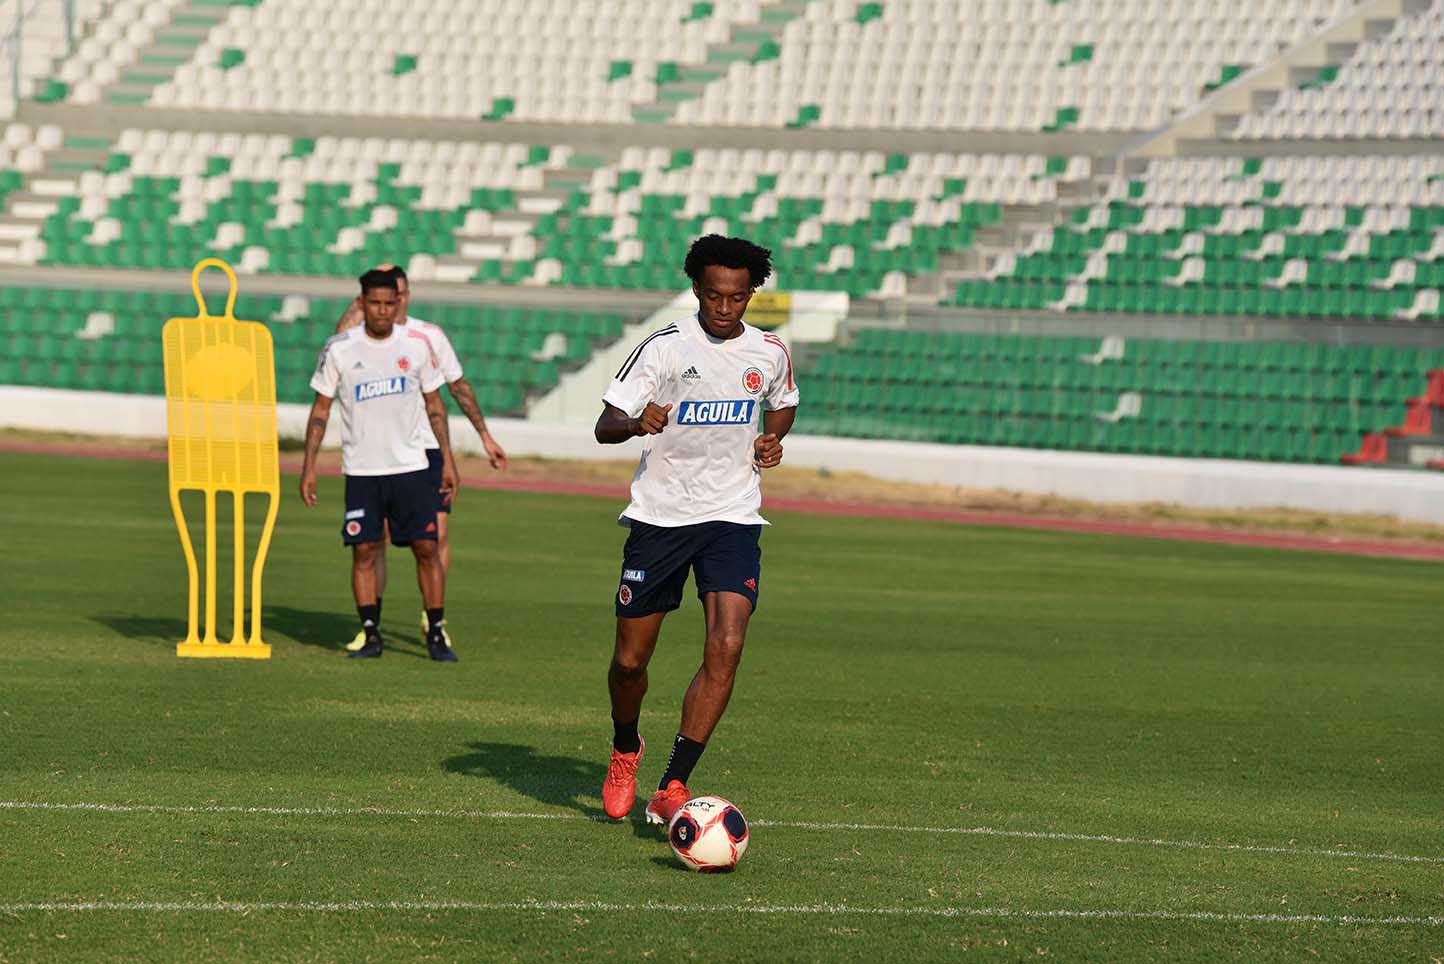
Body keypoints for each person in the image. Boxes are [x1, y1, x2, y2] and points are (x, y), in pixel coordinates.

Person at [593, 235, 799, 825]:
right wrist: (637, 422)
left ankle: (674, 782)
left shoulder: (770, 352)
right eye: (713, 295)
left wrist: (773, 437)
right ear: (696, 290)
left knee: (728, 645)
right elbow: (605, 425)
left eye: (736, 297)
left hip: (732, 515)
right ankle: (625, 748)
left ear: (751, 293)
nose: (724, 307)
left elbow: (782, 402)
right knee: (631, 662)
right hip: (660, 517)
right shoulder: (664, 347)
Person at [333, 264, 509, 651]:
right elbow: (338, 340)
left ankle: (434, 621)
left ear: (406, 296)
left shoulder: (427, 337)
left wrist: (484, 436)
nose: (391, 304)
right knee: (371, 542)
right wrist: (358, 300)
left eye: (397, 294)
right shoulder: (358, 339)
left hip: (425, 452)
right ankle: (370, 626)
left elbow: (458, 387)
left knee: (434, 538)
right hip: (375, 455)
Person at [299, 269, 461, 661]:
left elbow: (435, 406)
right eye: (375, 303)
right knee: (364, 550)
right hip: (362, 469)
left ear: (399, 302)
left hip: (411, 466)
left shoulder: (418, 346)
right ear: (362, 303)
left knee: (426, 546)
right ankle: (371, 633)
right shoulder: (339, 348)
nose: (383, 311)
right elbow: (320, 410)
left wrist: (448, 461)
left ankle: (436, 631)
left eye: (390, 303)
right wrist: (309, 467)